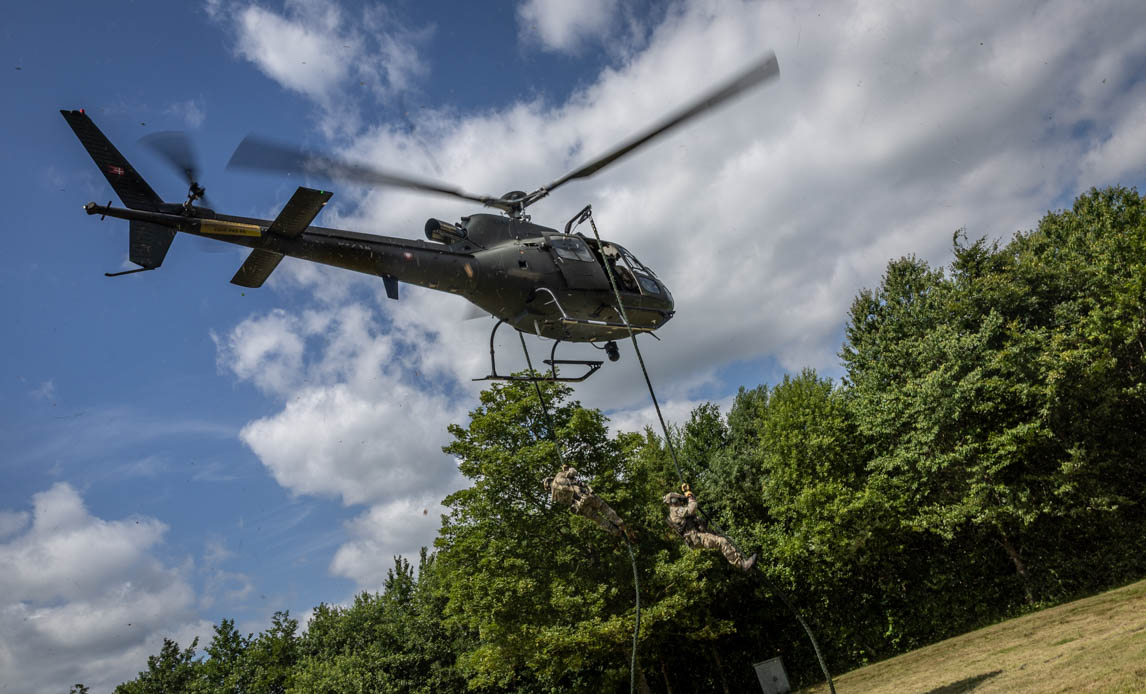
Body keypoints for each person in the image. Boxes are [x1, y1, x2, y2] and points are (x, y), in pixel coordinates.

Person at [663, 483, 756, 571]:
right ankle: (742, 565)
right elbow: (692, 509)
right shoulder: (675, 511)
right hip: (696, 537)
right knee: (722, 542)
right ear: (673, 501)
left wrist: (687, 492)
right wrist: (689, 496)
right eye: (678, 499)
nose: (680, 500)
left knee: (727, 539)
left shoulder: (677, 509)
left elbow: (691, 503)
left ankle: (742, 560)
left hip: (698, 534)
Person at [543, 464, 631, 540]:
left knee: (599, 520)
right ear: (551, 479)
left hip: (580, 506)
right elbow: (573, 472)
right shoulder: (558, 477)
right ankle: (620, 523)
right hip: (584, 495)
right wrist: (567, 469)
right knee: (603, 507)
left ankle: (616, 532)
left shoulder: (555, 497)